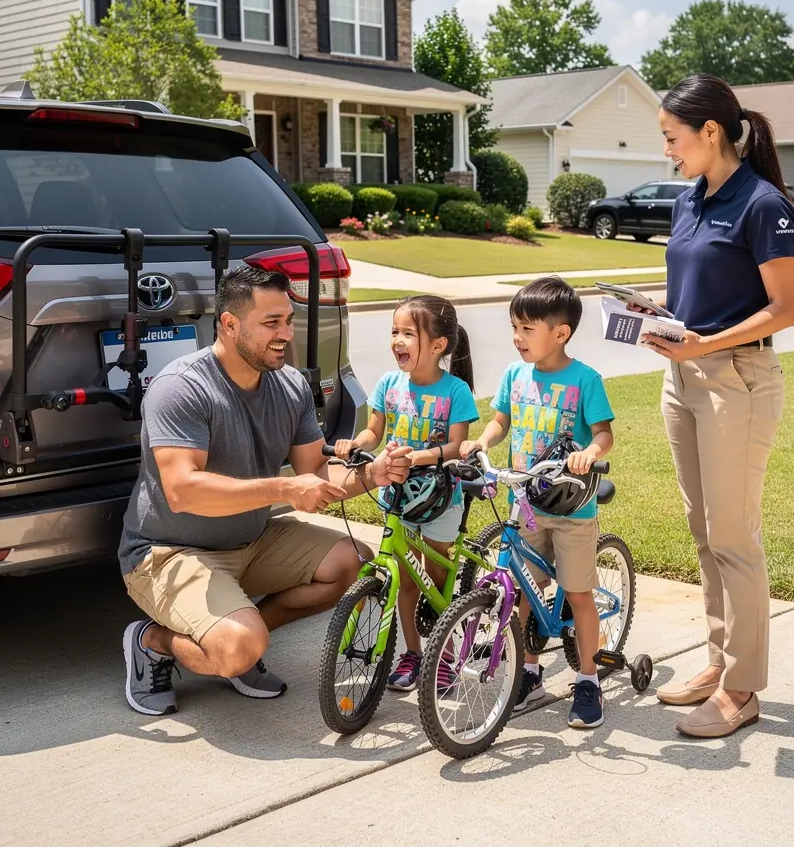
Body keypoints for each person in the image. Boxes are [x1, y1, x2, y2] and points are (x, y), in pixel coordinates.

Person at [118, 265, 412, 716]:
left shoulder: (290, 385)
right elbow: (182, 491)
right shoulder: (182, 388)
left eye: (288, 320)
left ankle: (246, 642)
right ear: (230, 325)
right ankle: (152, 641)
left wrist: (374, 474)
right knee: (237, 645)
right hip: (168, 552)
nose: (285, 334)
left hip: (250, 540)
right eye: (271, 323)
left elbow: (314, 471)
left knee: (351, 563)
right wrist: (283, 487)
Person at [637, 73, 794, 739]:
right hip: (684, 376)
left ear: (711, 132)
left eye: (672, 139)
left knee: (734, 537)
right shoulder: (688, 200)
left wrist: (707, 342)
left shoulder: (763, 205)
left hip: (738, 378)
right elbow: (698, 289)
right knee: (705, 532)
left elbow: (786, 310)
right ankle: (717, 661)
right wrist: (658, 318)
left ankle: (743, 688)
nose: (668, 152)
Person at [462, 277, 614, 728]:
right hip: (524, 503)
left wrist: (591, 452)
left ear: (560, 333)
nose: (517, 337)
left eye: (527, 329)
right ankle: (529, 670)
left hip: (571, 510)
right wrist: (482, 441)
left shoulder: (585, 380)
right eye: (515, 327)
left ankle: (589, 680)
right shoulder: (515, 374)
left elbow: (604, 432)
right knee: (522, 593)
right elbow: (501, 420)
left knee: (580, 594)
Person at [335, 294, 479, 692]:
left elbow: (455, 446)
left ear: (438, 345)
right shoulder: (388, 383)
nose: (397, 340)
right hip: (397, 496)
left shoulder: (455, 391)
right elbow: (374, 431)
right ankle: (413, 653)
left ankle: (445, 654)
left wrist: (422, 456)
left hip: (439, 499)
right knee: (405, 577)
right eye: (394, 332)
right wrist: (355, 443)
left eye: (408, 333)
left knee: (436, 577)